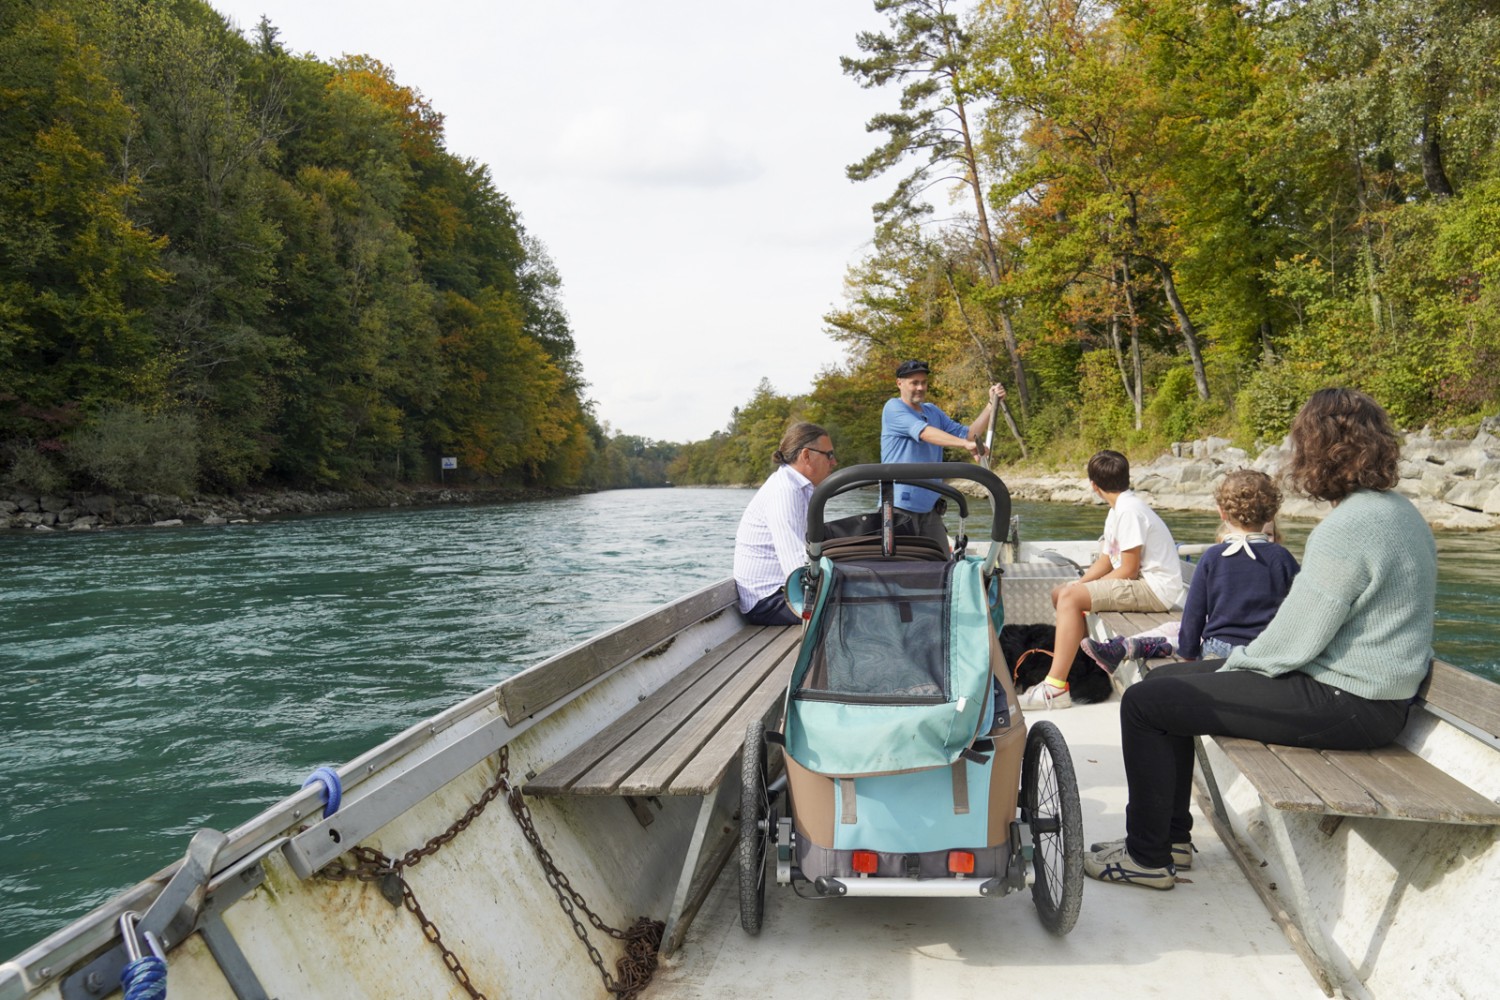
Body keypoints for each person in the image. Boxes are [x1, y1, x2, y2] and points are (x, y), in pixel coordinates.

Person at [1085, 388, 1436, 890]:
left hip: (1347, 699)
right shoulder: (1399, 512)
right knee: (1172, 691)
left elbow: (1293, 641)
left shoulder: (1349, 527)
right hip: (1371, 694)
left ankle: (1147, 857)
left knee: (1146, 702)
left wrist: (1230, 666)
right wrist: (1216, 670)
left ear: (1316, 451)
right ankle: (1170, 841)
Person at [1019, 450, 1187, 710]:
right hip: (1140, 582)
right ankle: (1085, 664)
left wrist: (1084, 592)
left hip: (1155, 589)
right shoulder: (1117, 510)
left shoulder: (1130, 511)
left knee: (1070, 598)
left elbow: (1129, 569)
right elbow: (1108, 559)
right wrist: (1080, 584)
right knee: (1061, 592)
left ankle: (1055, 687)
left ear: (1093, 485)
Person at [1080, 469, 1298, 669]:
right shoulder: (1282, 558)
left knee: (1210, 656)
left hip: (1218, 648)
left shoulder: (1213, 557)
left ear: (1221, 512)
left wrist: (1188, 654)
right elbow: (1299, 607)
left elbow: (1194, 613)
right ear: (1271, 514)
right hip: (1264, 647)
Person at [880, 360, 1006, 550]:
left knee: (942, 564)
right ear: (900, 383)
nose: (920, 387)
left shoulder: (932, 411)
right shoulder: (893, 408)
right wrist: (965, 445)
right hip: (898, 506)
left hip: (930, 507)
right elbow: (925, 433)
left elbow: (969, 434)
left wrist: (990, 405)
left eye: (924, 382)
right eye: (914, 383)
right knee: (904, 565)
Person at [733, 422, 839, 625]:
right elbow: (796, 565)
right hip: (769, 601)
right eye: (829, 455)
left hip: (781, 591)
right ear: (806, 455)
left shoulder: (800, 487)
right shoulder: (785, 491)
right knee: (857, 604)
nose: (834, 462)